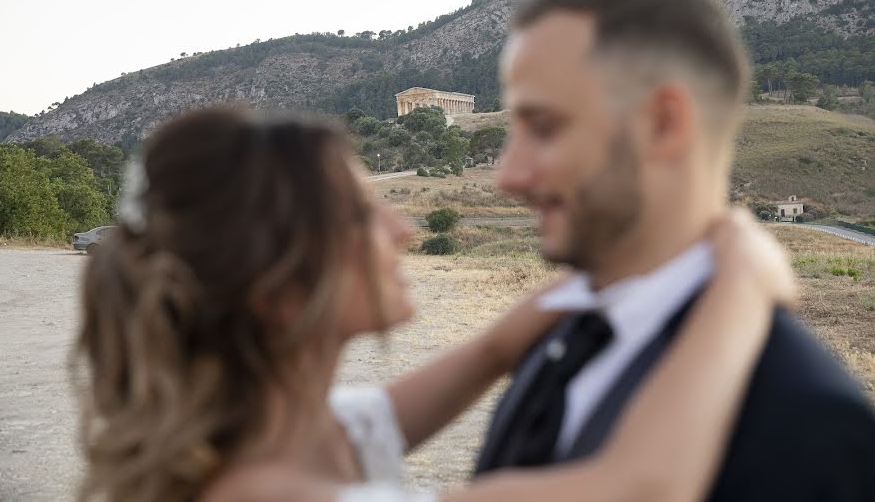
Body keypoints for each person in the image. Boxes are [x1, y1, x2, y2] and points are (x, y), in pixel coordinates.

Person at [73, 107, 791, 502]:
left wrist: (586, 282)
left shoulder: (278, 438)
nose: (404, 230)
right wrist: (743, 280)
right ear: (282, 296)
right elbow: (642, 487)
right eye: (362, 215)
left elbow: (464, 366)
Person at [474, 0, 875, 500]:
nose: (508, 176)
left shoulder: (810, 420)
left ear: (663, 125)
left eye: (544, 127)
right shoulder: (561, 334)